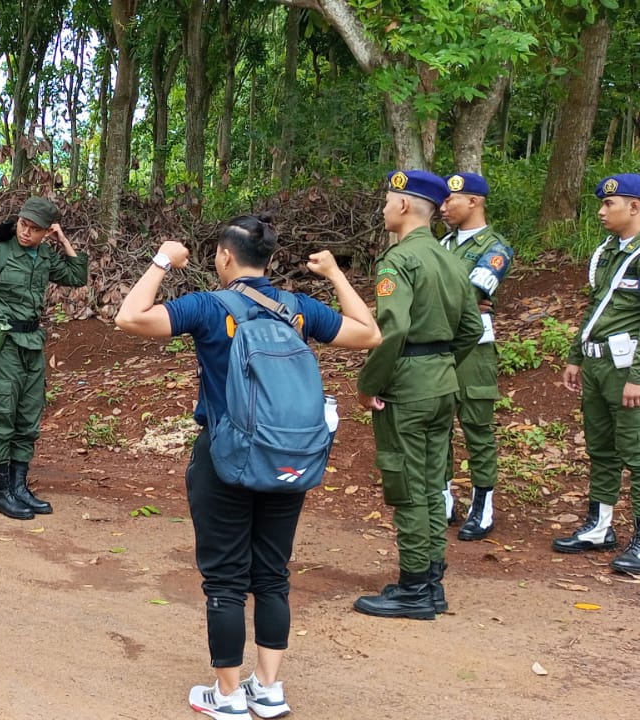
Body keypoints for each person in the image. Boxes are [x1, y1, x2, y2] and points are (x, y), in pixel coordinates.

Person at [115, 215, 381, 719]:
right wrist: (335, 275)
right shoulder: (296, 308)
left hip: (226, 459)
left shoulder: (209, 307)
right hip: (289, 458)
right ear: (272, 260)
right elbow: (368, 334)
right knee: (273, 575)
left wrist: (162, 261)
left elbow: (130, 318)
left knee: (225, 580)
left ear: (223, 257)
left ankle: (228, 695)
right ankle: (269, 688)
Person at [353, 170, 483, 620]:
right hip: (442, 384)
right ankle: (430, 583)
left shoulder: (398, 260)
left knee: (407, 487)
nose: (385, 208)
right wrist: (441, 363)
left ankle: (413, 591)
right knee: (431, 486)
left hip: (406, 388)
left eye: (389, 200)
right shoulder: (450, 259)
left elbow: (394, 329)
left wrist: (370, 384)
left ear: (405, 206)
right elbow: (470, 328)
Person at [0, 197, 89, 520]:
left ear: (45, 232)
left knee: (28, 418)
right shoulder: (0, 253)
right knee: (3, 416)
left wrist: (63, 240)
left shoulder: (43, 256)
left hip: (32, 344)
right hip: (5, 343)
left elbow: (77, 276)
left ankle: (19, 486)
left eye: (35, 229)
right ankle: (2, 493)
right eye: (24, 225)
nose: (26, 232)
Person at [558, 173, 640, 575]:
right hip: (597, 364)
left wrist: (639, 377)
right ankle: (600, 526)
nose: (601, 211)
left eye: (610, 204)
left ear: (635, 207)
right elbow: (596, 309)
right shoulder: (608, 251)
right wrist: (576, 356)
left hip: (629, 368)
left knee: (637, 453)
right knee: (601, 449)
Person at [438, 172, 513, 540]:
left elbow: (477, 290)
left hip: (475, 348)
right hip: (437, 343)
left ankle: (483, 504)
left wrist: (450, 297)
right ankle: (444, 497)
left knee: (476, 426)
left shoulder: (495, 246)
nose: (443, 207)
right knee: (437, 422)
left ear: (474, 201)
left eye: (451, 199)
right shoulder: (444, 244)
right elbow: (459, 296)